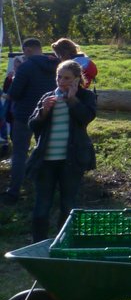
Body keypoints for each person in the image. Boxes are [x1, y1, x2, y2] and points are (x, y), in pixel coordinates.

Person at [28, 59, 97, 241]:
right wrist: (43, 111)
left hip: (72, 160)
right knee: (42, 205)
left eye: (67, 77)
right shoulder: (48, 97)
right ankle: (38, 244)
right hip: (46, 160)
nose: (61, 81)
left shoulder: (86, 96)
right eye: (59, 76)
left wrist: (72, 99)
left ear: (77, 79)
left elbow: (86, 118)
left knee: (68, 205)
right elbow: (33, 124)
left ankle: (63, 244)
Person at [3, 39, 58, 206]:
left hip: (24, 115)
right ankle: (50, 189)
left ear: (27, 50)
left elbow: (15, 93)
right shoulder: (56, 64)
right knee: (48, 151)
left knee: (19, 153)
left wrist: (13, 77)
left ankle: (14, 192)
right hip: (48, 113)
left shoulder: (25, 67)